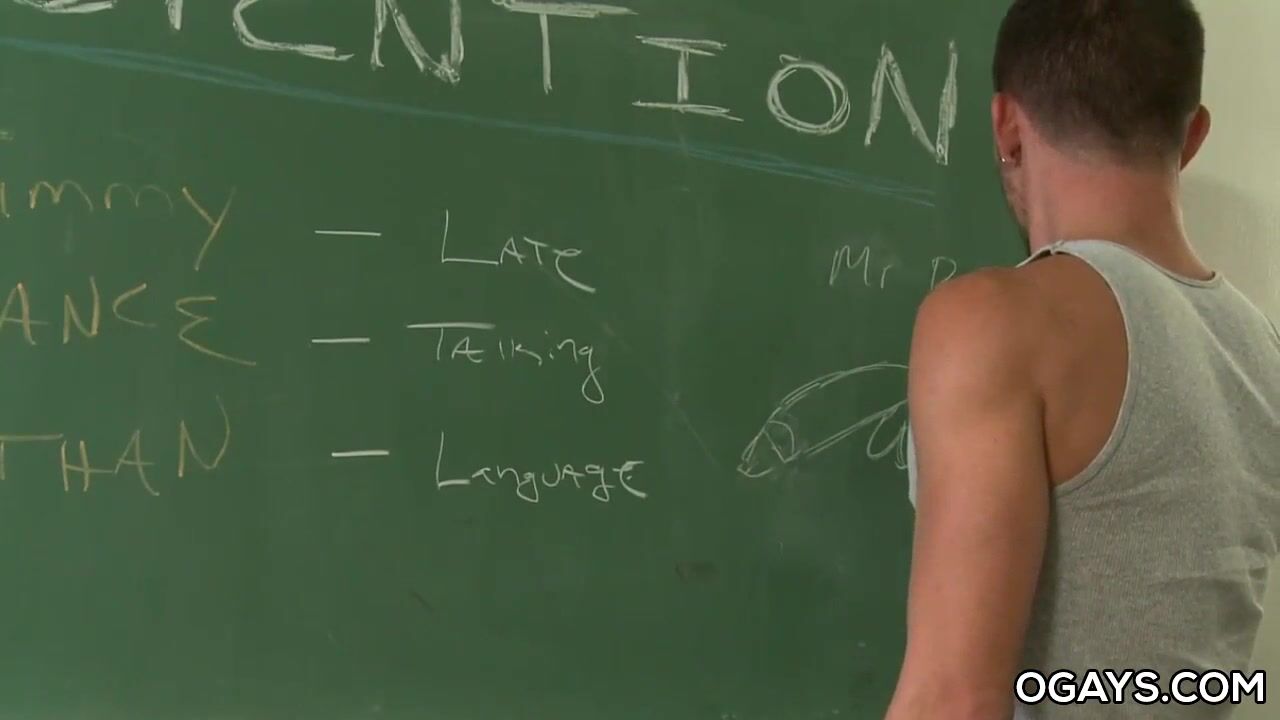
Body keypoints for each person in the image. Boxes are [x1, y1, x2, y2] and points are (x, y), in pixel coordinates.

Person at [884, 1, 1280, 718]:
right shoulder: (1261, 351)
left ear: (1007, 126)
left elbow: (954, 700)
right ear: (1193, 135)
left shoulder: (997, 321)